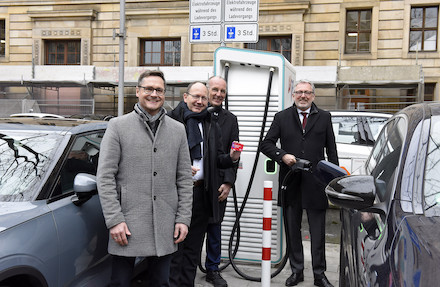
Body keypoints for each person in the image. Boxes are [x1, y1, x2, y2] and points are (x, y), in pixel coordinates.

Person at [97, 70, 193, 287]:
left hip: (165, 223)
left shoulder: (178, 130)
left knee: (161, 283)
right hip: (127, 223)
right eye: (149, 88)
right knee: (120, 283)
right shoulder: (118, 126)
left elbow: (184, 179)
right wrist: (114, 220)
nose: (154, 94)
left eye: (159, 90)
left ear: (165, 94)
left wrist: (183, 218)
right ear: (138, 91)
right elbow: (105, 177)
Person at [260, 79, 338, 287]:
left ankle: (319, 274)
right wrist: (282, 156)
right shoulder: (282, 117)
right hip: (290, 182)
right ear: (293, 95)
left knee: (318, 232)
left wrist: (334, 180)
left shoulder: (324, 117)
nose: (303, 96)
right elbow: (266, 144)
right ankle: (297, 271)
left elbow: (332, 150)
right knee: (292, 231)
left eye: (307, 92)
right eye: (299, 92)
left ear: (313, 95)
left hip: (316, 183)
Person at [168, 81, 241, 287]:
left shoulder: (210, 124)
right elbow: (160, 157)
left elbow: (218, 157)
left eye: (203, 98)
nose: (199, 101)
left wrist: (232, 157)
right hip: (176, 195)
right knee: (176, 249)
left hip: (201, 194)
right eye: (195, 97)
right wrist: (181, 167)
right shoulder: (171, 120)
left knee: (192, 249)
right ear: (185, 97)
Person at [204, 76, 239, 287]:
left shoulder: (231, 119)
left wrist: (228, 182)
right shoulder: (196, 113)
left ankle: (212, 269)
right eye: (215, 90)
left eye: (222, 91)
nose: (218, 94)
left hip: (219, 181)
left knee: (215, 227)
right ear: (207, 90)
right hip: (196, 181)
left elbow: (234, 153)